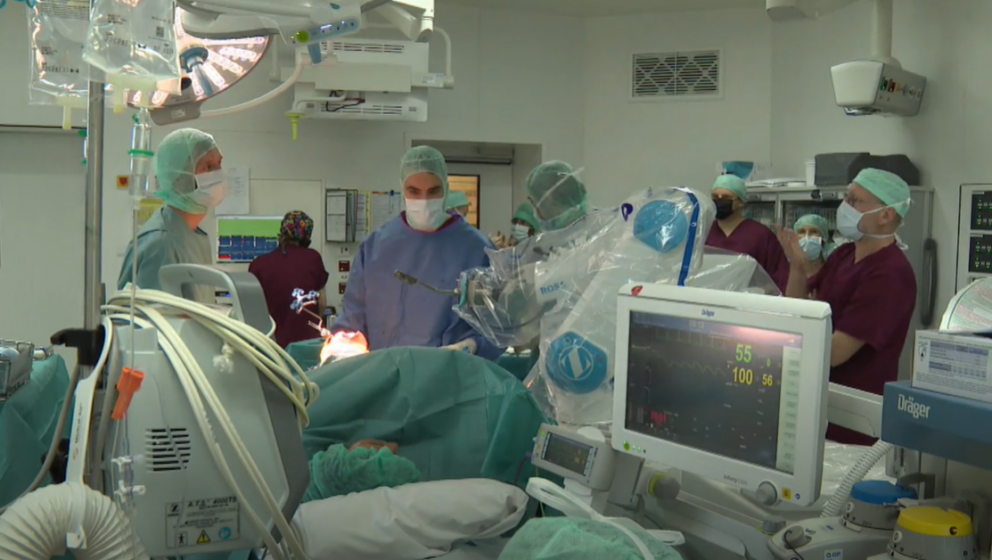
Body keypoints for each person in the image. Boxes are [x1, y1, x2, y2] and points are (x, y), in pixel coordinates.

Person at [778, 168, 916, 445]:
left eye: (855, 201)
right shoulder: (844, 254)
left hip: (854, 420)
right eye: (846, 199)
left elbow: (835, 353)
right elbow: (798, 310)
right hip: (818, 403)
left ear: (886, 215)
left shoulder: (889, 274)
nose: (845, 207)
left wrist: (784, 343)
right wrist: (797, 267)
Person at [331, 146, 504, 360]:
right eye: (414, 191)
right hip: (385, 372)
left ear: (446, 189)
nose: (424, 200)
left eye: (433, 191)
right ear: (402, 190)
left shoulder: (477, 249)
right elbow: (352, 321)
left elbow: (498, 325)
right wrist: (341, 347)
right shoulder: (375, 247)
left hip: (450, 373)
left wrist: (472, 345)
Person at [117, 128, 226, 303]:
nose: (218, 173)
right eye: (208, 166)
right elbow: (156, 318)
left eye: (219, 163)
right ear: (180, 177)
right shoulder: (161, 243)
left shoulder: (192, 236)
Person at [249, 211, 330, 348]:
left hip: (270, 345)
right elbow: (322, 303)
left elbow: (252, 311)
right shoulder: (313, 258)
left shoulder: (258, 265)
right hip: (306, 345)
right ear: (307, 235)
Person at [705, 174, 789, 292]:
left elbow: (779, 279)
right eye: (715, 196)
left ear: (741, 202)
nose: (719, 201)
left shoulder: (761, 235)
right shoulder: (704, 232)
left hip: (749, 300)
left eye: (726, 197)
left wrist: (757, 292)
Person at [527, 161, 588, 231]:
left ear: (548, 198)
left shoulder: (564, 235)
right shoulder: (592, 228)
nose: (535, 213)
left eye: (534, 203)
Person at [793, 213, 833, 279]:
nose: (807, 236)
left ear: (823, 237)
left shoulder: (833, 270)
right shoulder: (790, 272)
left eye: (813, 231)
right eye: (802, 231)